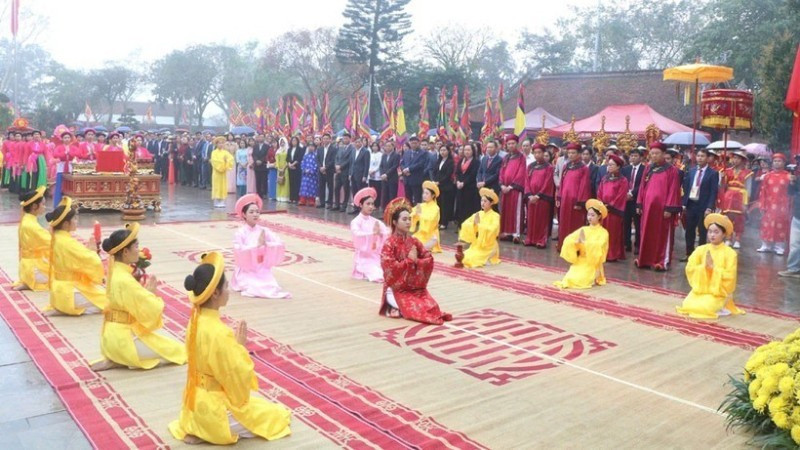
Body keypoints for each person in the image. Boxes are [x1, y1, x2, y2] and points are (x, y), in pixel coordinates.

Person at [169, 252, 292, 445]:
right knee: (275, 416)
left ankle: (196, 427)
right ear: (215, 293)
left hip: (192, 405)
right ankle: (206, 431)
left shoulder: (195, 321)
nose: (228, 291)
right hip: (214, 410)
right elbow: (237, 377)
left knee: (261, 406)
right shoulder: (219, 332)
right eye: (226, 286)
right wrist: (240, 349)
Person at [91, 224, 187, 371]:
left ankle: (116, 357)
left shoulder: (116, 270)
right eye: (136, 246)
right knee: (179, 351)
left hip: (111, 337)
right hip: (122, 340)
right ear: (125, 251)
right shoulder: (124, 278)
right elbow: (151, 307)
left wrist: (145, 293)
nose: (139, 250)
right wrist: (151, 294)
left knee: (165, 346)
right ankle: (119, 356)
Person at [379, 198, 452, 323]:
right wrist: (408, 261)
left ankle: (397, 309)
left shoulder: (414, 241)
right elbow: (389, 270)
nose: (408, 222)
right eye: (404, 219)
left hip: (415, 289)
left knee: (431, 307)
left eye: (409, 219)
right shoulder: (389, 244)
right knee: (414, 309)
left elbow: (428, 259)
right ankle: (392, 306)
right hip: (396, 290)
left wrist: (416, 261)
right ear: (395, 222)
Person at [44, 197, 107, 316]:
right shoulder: (67, 242)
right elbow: (92, 262)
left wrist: (88, 252)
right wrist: (93, 252)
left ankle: (61, 307)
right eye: (75, 219)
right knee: (109, 302)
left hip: (59, 290)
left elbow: (79, 257)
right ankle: (66, 309)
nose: (76, 221)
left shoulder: (58, 237)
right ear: (66, 223)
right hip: (69, 291)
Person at [676, 214, 745, 319]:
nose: (712, 235)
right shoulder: (701, 249)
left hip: (718, 292)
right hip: (701, 289)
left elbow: (730, 277)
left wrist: (713, 269)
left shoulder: (730, 253)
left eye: (716, 232)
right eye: (710, 232)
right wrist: (703, 268)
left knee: (704, 309)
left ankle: (721, 306)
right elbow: (690, 268)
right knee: (688, 305)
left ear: (724, 234)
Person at [229, 194, 290, 299]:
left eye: (257, 212)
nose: (255, 215)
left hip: (261, 267)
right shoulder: (240, 233)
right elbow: (239, 250)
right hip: (246, 268)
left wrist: (267, 245)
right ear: (244, 214)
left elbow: (280, 243)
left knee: (271, 286)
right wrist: (255, 246)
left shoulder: (263, 231)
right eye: (251, 212)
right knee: (254, 287)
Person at [636, 142, 682, 271]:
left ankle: (661, 261)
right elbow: (642, 187)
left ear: (663, 154)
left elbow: (673, 190)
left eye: (657, 153)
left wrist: (669, 208)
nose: (654, 156)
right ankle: (645, 259)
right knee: (646, 232)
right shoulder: (648, 168)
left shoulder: (671, 170)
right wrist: (639, 203)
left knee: (661, 234)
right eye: (652, 153)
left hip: (662, 209)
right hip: (647, 208)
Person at [554, 199, 609, 290]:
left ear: (599, 217)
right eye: (588, 215)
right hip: (581, 261)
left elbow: (599, 247)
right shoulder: (584, 229)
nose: (589, 217)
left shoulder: (603, 233)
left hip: (592, 263)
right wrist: (575, 243)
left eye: (592, 215)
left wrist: (585, 243)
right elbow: (570, 239)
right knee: (570, 278)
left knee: (581, 280)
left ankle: (595, 275)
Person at [681, 148, 719, 261]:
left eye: (703, 156)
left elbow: (713, 191)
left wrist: (709, 207)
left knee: (702, 232)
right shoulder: (691, 171)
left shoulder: (713, 173)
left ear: (707, 158)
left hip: (703, 206)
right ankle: (689, 254)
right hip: (691, 204)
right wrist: (684, 203)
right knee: (689, 230)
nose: (700, 158)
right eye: (698, 156)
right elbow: (686, 188)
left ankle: (701, 256)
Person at [556, 142, 592, 251]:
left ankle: (575, 247)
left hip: (575, 201)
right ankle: (563, 244)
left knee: (575, 224)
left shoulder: (583, 168)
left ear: (579, 154)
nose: (571, 155)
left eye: (573, 153)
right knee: (564, 222)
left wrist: (580, 202)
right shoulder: (567, 166)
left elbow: (584, 186)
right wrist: (559, 197)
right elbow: (562, 182)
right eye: (569, 152)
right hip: (565, 200)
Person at [14, 187, 50, 291]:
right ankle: (32, 280)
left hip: (26, 268)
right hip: (35, 269)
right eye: (43, 204)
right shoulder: (32, 225)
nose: (45, 207)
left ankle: (28, 280)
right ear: (34, 206)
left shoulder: (26, 220)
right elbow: (52, 243)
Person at [350, 187, 389, 282]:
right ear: (361, 205)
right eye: (368, 204)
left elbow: (386, 234)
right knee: (378, 275)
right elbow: (357, 235)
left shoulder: (376, 222)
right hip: (364, 258)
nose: (371, 206)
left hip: (377, 256)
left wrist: (381, 234)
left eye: (372, 204)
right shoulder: (356, 222)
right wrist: (373, 234)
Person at [757, 153, 794, 255]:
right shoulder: (768, 176)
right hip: (769, 204)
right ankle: (766, 245)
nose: (777, 163)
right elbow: (763, 191)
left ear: (784, 162)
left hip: (782, 206)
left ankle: (779, 246)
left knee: (781, 225)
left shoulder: (788, 176)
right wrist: (762, 204)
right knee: (766, 224)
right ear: (772, 163)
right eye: (775, 161)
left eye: (779, 161)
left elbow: (791, 193)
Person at [596, 154, 629, 262]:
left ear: (618, 166)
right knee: (601, 232)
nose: (609, 167)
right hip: (603, 210)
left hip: (614, 211)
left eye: (611, 165)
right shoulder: (605, 178)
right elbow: (600, 191)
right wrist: (601, 203)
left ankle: (612, 254)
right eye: (608, 164)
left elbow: (621, 196)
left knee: (613, 232)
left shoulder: (623, 180)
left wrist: (610, 205)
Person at [458, 188, 501, 268]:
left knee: (472, 260)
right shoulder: (478, 214)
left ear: (491, 203)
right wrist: (473, 224)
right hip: (477, 244)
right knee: (464, 257)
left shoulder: (495, 216)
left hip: (489, 245)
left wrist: (479, 225)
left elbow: (493, 230)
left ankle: (489, 258)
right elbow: (465, 224)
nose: (482, 203)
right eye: (482, 201)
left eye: (485, 201)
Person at [524, 143, 555, 248]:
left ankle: (541, 240)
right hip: (531, 197)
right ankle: (530, 239)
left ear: (543, 153)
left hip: (542, 198)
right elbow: (527, 181)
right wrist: (529, 195)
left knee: (541, 219)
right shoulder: (530, 166)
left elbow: (547, 183)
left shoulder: (549, 167)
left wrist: (538, 195)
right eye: (535, 153)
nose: (537, 155)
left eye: (539, 153)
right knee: (531, 218)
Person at [720, 150, 753, 248]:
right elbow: (723, 186)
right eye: (734, 157)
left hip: (740, 196)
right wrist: (722, 178)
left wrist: (746, 203)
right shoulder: (727, 171)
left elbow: (748, 189)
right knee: (728, 217)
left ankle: (738, 239)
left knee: (739, 218)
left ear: (743, 160)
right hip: (729, 196)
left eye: (738, 158)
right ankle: (728, 238)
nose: (735, 160)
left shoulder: (748, 173)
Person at [498, 135, 527, 243]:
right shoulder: (506, 158)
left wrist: (511, 186)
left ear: (517, 144)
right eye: (509, 144)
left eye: (513, 143)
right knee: (505, 210)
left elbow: (521, 173)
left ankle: (516, 233)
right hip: (505, 188)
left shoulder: (521, 158)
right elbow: (501, 172)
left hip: (515, 189)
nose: (511, 145)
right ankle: (507, 232)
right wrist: (502, 185)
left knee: (516, 211)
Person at [411, 180, 442, 253]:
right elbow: (412, 214)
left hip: (431, 235)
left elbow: (430, 220)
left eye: (427, 193)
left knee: (419, 247)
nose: (424, 195)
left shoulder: (436, 208)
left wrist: (420, 215)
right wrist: (414, 214)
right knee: (410, 243)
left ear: (433, 195)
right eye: (423, 193)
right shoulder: (421, 205)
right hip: (421, 233)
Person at [455, 142, 480, 227]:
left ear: (473, 151)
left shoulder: (476, 162)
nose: (467, 152)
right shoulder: (461, 161)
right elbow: (457, 172)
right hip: (460, 188)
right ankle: (460, 225)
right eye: (465, 150)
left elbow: (473, 174)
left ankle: (469, 226)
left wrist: (464, 183)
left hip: (470, 188)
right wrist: (458, 181)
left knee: (469, 207)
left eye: (469, 150)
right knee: (460, 206)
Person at [433, 144, 455, 229]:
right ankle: (439, 221)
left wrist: (439, 181)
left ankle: (444, 223)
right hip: (437, 186)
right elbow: (435, 172)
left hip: (446, 186)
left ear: (448, 151)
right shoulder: (439, 161)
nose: (442, 152)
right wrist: (435, 180)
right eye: (441, 150)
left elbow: (448, 174)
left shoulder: (450, 162)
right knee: (439, 204)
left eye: (444, 150)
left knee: (445, 205)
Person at [401, 136, 428, 204]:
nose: (414, 145)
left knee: (417, 199)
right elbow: (402, 163)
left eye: (415, 143)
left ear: (418, 143)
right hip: (407, 179)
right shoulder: (407, 152)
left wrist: (409, 169)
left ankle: (418, 213)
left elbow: (420, 164)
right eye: (412, 143)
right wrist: (404, 170)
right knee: (408, 199)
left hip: (416, 180)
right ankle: (409, 213)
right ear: (409, 143)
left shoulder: (423, 153)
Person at [210, 138, 234, 208]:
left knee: (223, 186)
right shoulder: (214, 152)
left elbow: (231, 159)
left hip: (223, 173)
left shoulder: (225, 152)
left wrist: (226, 163)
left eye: (222, 143)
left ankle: (222, 201)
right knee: (217, 185)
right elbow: (214, 161)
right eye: (219, 143)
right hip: (217, 172)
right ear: (216, 144)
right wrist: (223, 163)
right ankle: (217, 201)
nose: (221, 144)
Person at [349, 137, 371, 214]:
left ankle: (362, 209)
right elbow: (351, 163)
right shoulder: (353, 151)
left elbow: (366, 165)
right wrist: (350, 173)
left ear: (362, 142)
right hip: (353, 175)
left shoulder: (365, 152)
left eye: (359, 142)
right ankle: (356, 208)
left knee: (361, 193)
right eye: (356, 142)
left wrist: (365, 176)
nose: (357, 144)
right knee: (354, 192)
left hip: (361, 175)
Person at [334, 133, 354, 211]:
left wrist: (341, 166)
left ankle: (344, 205)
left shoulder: (352, 149)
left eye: (346, 138)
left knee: (346, 189)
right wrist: (336, 165)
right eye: (344, 138)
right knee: (336, 188)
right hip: (338, 171)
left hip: (345, 171)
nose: (345, 140)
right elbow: (336, 157)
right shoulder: (340, 147)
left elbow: (349, 160)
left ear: (349, 139)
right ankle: (337, 204)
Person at [317, 133, 337, 208]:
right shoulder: (320, 149)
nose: (325, 140)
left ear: (330, 139)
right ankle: (322, 203)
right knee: (321, 187)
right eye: (324, 138)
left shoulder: (334, 149)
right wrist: (320, 167)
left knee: (330, 187)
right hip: (321, 171)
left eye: (327, 138)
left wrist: (325, 167)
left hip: (329, 170)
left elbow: (333, 160)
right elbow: (318, 159)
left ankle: (329, 203)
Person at [379, 140, 401, 207]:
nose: (387, 147)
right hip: (384, 179)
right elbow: (381, 166)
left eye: (389, 146)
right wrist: (382, 174)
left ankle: (392, 211)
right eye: (386, 146)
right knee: (385, 195)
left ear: (393, 147)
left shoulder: (396, 155)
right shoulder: (384, 155)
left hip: (392, 179)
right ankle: (385, 211)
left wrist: (386, 175)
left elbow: (395, 166)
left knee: (392, 195)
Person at [287, 136, 305, 204]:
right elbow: (288, 158)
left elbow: (299, 158)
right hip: (290, 168)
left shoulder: (300, 149)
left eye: (295, 140)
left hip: (297, 167)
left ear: (297, 141)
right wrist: (289, 164)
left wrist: (293, 164)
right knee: (291, 183)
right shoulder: (289, 149)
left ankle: (296, 198)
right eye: (292, 140)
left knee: (296, 183)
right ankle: (291, 198)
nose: (293, 142)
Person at [367, 141, 383, 208]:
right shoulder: (370, 154)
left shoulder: (380, 154)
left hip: (377, 175)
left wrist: (374, 171)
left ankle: (377, 204)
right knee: (371, 191)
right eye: (373, 146)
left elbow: (379, 165)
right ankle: (372, 203)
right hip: (370, 175)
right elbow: (368, 164)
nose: (374, 147)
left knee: (378, 190)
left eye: (376, 146)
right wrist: (369, 171)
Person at [275, 138, 290, 203]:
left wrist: (284, 167)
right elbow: (277, 160)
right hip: (279, 169)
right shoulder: (278, 150)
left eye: (283, 142)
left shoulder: (287, 150)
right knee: (279, 182)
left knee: (285, 182)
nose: (282, 143)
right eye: (281, 142)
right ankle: (279, 196)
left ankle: (285, 197)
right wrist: (278, 167)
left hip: (285, 168)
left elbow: (288, 160)